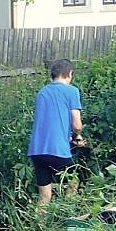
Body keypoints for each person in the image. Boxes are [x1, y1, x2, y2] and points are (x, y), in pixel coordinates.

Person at [27, 58, 85, 205]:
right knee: (74, 181)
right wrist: (77, 135)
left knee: (45, 196)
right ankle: (68, 214)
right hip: (57, 150)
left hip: (37, 151)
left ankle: (38, 225)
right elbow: (77, 125)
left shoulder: (42, 93)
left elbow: (51, 121)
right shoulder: (72, 91)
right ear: (69, 74)